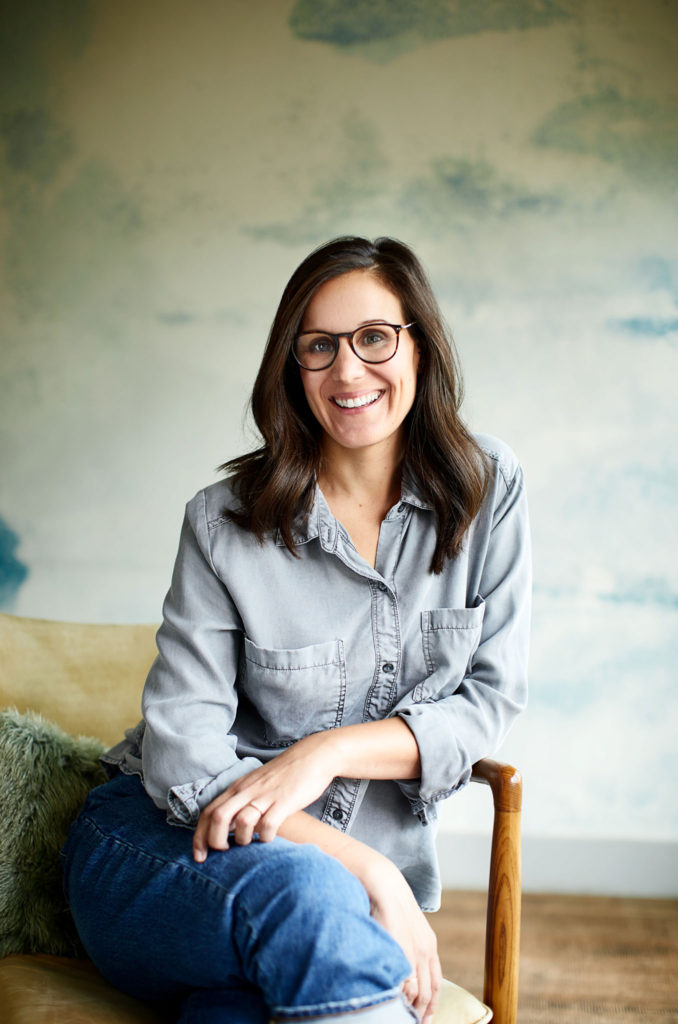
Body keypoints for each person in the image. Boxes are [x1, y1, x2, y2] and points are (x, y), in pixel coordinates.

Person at [62, 236, 530, 1024]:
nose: (348, 372)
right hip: (159, 849)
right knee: (315, 898)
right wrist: (371, 872)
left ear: (420, 343)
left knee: (242, 1007)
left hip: (312, 918)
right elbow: (182, 755)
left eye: (374, 337)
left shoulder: (490, 488)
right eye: (319, 347)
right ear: (292, 365)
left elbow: (490, 699)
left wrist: (328, 754)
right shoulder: (221, 524)